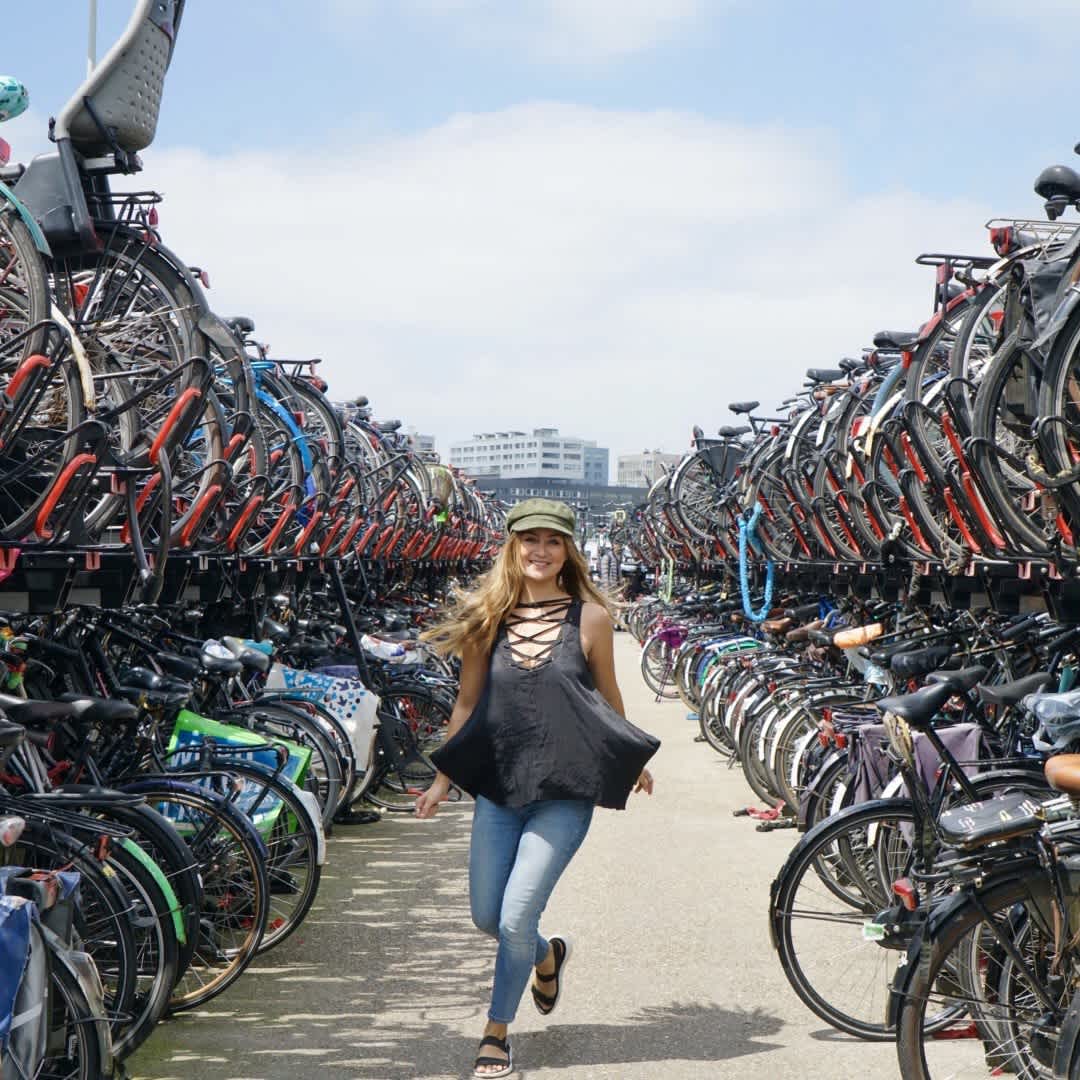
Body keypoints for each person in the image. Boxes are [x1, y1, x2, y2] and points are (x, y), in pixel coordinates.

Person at [415, 497, 660, 1078]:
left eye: (553, 541)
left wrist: (627, 755)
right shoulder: (486, 619)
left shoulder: (590, 619)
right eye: (531, 540)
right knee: (487, 917)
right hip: (500, 790)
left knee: (514, 917)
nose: (541, 551)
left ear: (567, 550)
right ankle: (546, 956)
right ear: (513, 546)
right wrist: (441, 779)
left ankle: (495, 1033)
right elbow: (467, 704)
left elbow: (606, 700)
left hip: (564, 791)